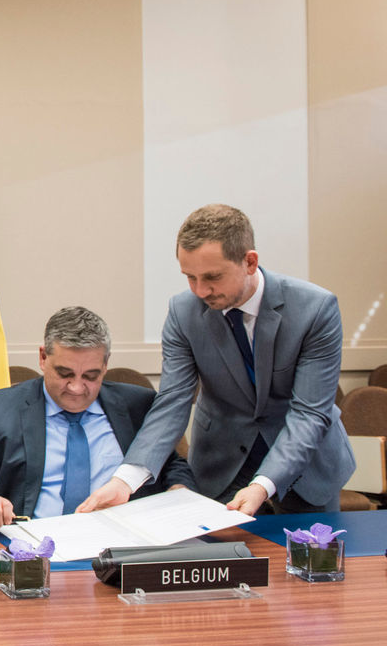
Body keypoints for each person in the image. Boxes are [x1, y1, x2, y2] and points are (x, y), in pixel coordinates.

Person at [81, 204, 354, 516]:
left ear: (250, 262)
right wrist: (126, 480)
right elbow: (172, 401)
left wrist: (263, 484)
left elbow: (309, 413)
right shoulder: (183, 312)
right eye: (190, 277)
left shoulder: (315, 309)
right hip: (223, 466)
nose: (200, 291)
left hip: (306, 469)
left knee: (308, 549)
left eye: (213, 277)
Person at [0, 307, 194, 527]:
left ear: (106, 364)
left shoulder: (137, 405)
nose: (76, 388)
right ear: (43, 357)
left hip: (121, 545)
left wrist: (178, 490)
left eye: (91, 376)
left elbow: (171, 466)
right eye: (65, 374)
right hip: (32, 546)